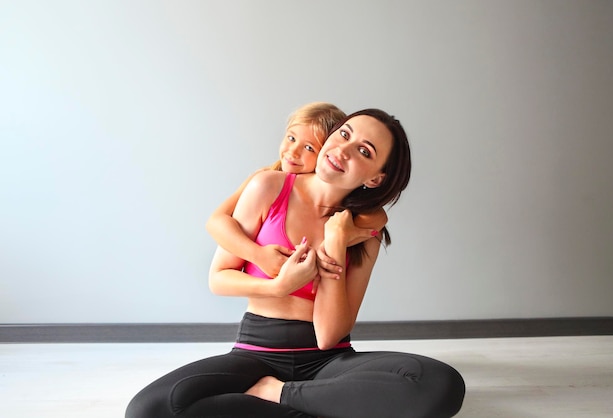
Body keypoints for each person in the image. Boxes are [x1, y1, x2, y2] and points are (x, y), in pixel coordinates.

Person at [126, 108, 465, 418]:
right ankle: (325, 406)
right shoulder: (269, 187)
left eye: (364, 151)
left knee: (440, 384)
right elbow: (220, 277)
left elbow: (329, 336)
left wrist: (335, 239)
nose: (344, 150)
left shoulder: (365, 234)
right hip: (255, 353)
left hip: (328, 362)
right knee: (147, 410)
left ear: (375, 178)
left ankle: (280, 395)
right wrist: (278, 286)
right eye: (344, 134)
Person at [206, 102, 387, 279]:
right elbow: (215, 222)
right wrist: (258, 255)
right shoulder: (265, 178)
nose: (293, 152)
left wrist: (345, 237)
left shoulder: (335, 197)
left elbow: (377, 216)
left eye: (309, 148)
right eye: (291, 138)